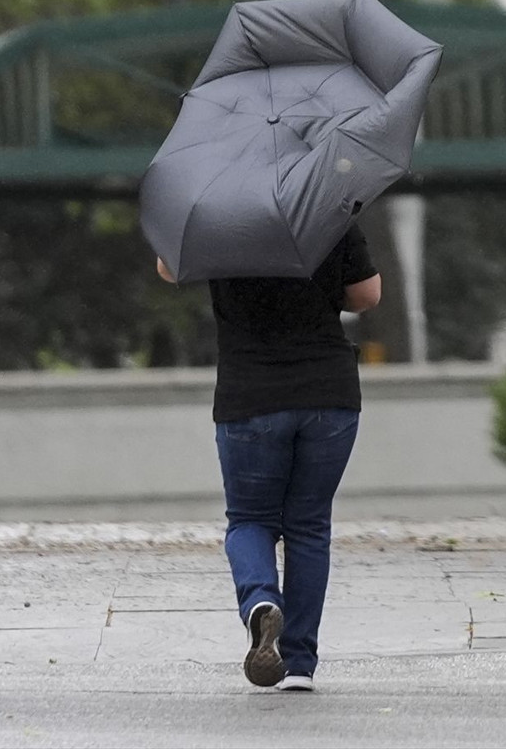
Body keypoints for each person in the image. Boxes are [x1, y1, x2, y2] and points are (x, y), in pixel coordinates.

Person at [157, 223, 381, 690]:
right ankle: (299, 664)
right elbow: (367, 296)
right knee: (309, 524)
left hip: (250, 397)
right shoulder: (328, 207)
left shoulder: (218, 212)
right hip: (328, 394)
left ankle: (261, 602)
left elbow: (168, 267)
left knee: (249, 520)